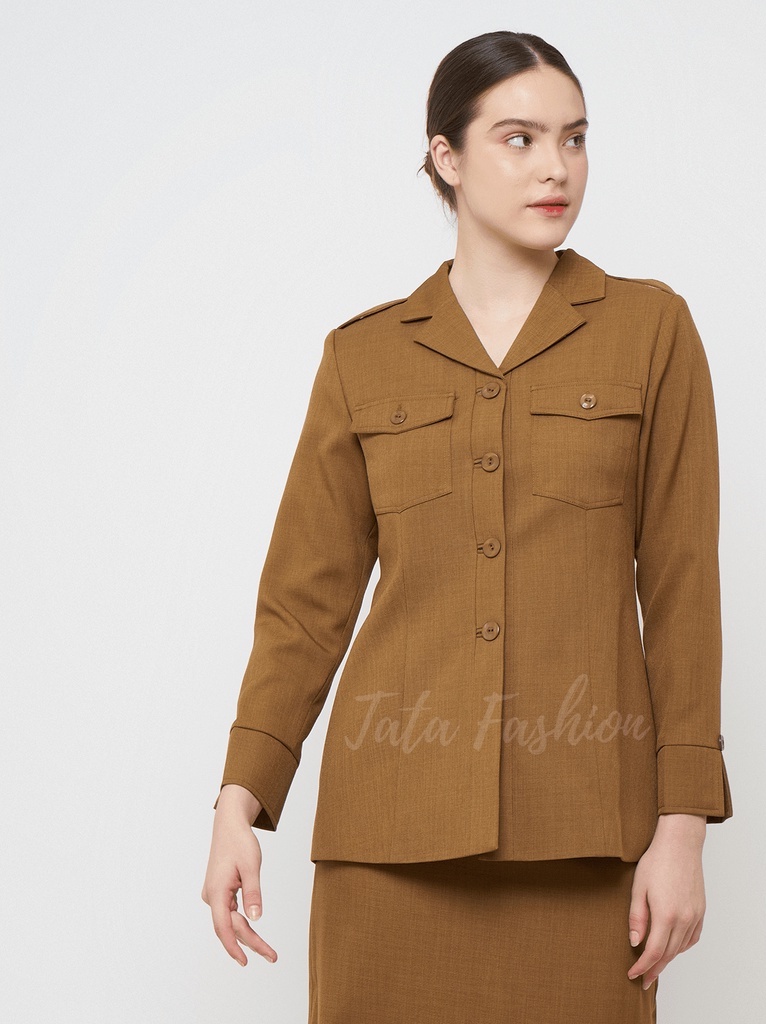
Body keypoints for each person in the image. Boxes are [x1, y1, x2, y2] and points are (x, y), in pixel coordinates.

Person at [202, 29, 732, 1023]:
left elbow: (681, 590)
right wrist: (242, 797)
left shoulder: (650, 331)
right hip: (387, 838)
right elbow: (305, 605)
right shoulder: (362, 357)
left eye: (574, 138)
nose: (556, 167)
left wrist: (683, 829)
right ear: (446, 157)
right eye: (519, 139)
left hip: (586, 833)